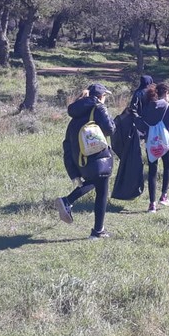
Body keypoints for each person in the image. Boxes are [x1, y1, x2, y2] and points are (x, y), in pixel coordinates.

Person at [56, 83, 116, 239]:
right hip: (99, 157)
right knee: (101, 192)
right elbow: (110, 129)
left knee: (95, 184)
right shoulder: (99, 108)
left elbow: (67, 144)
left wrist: (73, 172)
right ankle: (68, 201)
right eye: (104, 96)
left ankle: (97, 229)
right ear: (100, 96)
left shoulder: (75, 116)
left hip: (81, 160)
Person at [134, 82, 169, 212]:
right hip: (165, 143)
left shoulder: (148, 106)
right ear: (166, 93)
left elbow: (142, 125)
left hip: (151, 143)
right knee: (167, 167)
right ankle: (164, 196)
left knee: (152, 172)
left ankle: (152, 204)